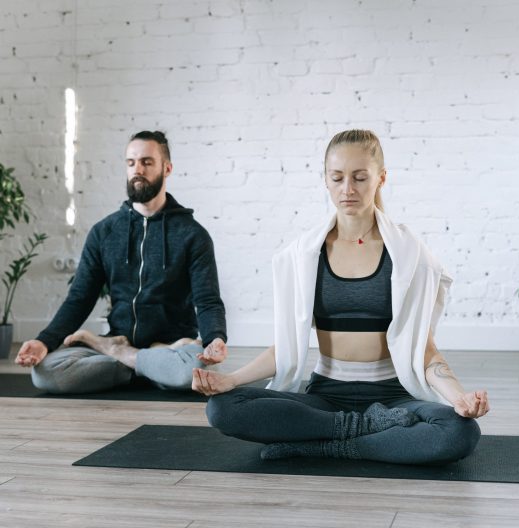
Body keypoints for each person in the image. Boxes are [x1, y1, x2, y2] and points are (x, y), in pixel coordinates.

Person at [192, 129, 489, 465]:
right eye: (337, 178)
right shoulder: (303, 255)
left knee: (459, 431)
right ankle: (365, 431)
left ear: (381, 179)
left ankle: (323, 446)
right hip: (326, 396)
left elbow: (425, 350)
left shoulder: (408, 255)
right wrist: (229, 380)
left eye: (360, 178)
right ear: (326, 181)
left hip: (393, 397)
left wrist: (460, 397)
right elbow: (285, 347)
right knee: (222, 408)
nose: (348, 189)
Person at [15, 130, 227, 393]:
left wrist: (214, 339)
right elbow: (79, 298)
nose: (137, 169)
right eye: (131, 162)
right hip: (127, 342)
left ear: (167, 168)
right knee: (45, 373)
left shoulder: (192, 235)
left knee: (195, 370)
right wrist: (44, 342)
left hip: (173, 344)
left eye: (147, 162)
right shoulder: (105, 232)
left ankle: (124, 358)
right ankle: (142, 365)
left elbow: (207, 300)